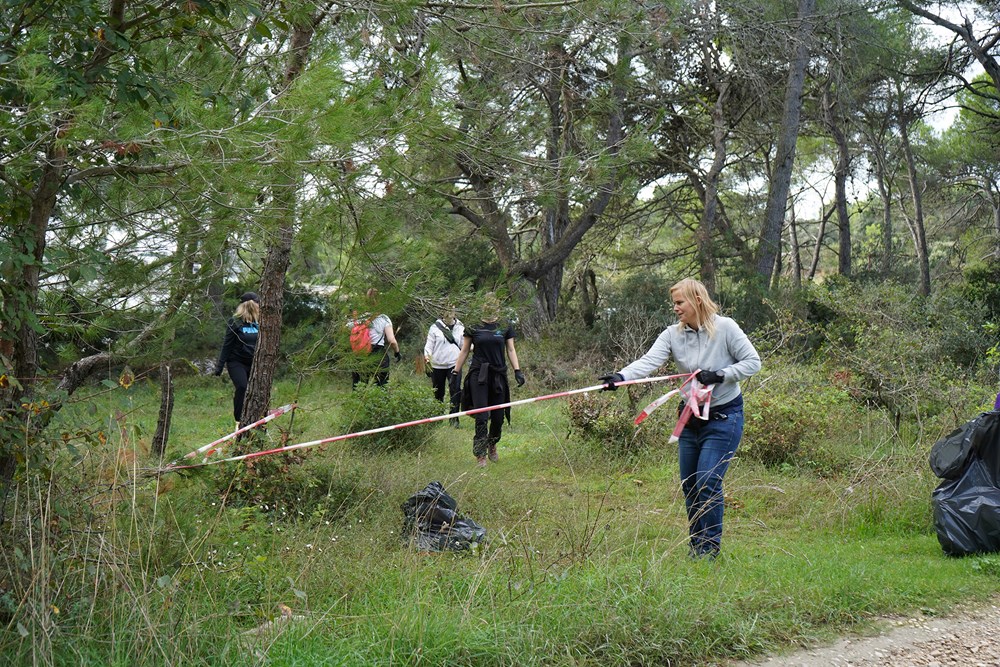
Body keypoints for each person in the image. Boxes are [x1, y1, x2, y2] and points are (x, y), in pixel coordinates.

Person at [599, 278, 760, 560]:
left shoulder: (726, 328)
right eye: (673, 303)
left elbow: (752, 362)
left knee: (707, 482)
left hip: (723, 417)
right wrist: (621, 377)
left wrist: (720, 375)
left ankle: (709, 550)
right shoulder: (672, 334)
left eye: (679, 302)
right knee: (690, 484)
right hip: (690, 418)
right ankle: (696, 546)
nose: (675, 308)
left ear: (697, 300)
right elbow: (649, 362)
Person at [451, 293, 526, 467]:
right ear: (483, 305)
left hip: (498, 374)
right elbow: (464, 351)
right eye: (487, 304)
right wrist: (455, 372)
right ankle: (480, 454)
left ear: (498, 305)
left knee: (498, 416)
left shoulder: (506, 325)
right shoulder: (473, 326)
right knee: (482, 415)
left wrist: (517, 371)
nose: (491, 306)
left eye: (494, 303)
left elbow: (511, 350)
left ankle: (492, 443)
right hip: (479, 375)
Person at [214, 291, 261, 423]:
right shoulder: (235, 322)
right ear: (250, 305)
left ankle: (256, 415)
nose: (259, 305)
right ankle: (239, 419)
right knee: (242, 387)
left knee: (256, 390)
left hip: (253, 362)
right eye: (257, 303)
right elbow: (227, 345)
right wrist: (219, 366)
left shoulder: (260, 322)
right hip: (237, 362)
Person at [347, 288, 401, 388]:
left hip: (360, 355)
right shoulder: (384, 318)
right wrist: (397, 352)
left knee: (359, 387)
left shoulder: (359, 317)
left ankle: (358, 403)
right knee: (381, 386)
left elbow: (346, 329)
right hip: (378, 355)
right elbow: (392, 341)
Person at [424, 307, 465, 427]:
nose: (449, 312)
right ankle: (438, 417)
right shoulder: (435, 327)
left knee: (455, 390)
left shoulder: (460, 327)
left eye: (451, 310)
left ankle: (454, 419)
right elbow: (429, 345)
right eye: (446, 309)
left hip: (455, 363)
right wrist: (427, 357)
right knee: (438, 392)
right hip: (437, 365)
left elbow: (464, 345)